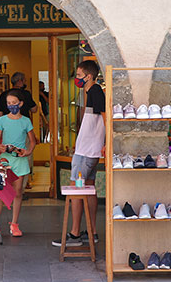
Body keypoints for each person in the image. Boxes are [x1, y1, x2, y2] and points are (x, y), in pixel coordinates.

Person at [52, 60, 105, 247]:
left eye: (79, 75)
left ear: (88, 76)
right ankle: (92, 232)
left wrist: (105, 143)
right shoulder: (90, 92)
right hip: (89, 148)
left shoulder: (95, 91)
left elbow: (104, 117)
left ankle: (74, 233)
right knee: (89, 189)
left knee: (76, 189)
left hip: (86, 150)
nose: (77, 78)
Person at [0, 89, 36, 238]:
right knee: (0, 192)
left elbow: (33, 140)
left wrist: (28, 152)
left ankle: (14, 224)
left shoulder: (26, 121)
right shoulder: (2, 120)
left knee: (18, 193)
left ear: (21, 104)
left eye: (14, 103)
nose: (11, 106)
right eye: (8, 103)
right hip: (5, 159)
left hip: (20, 159)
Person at [0, 72, 37, 190]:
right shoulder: (26, 94)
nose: (11, 105)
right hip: (20, 133)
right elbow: (34, 109)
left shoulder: (4, 95)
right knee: (25, 157)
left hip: (11, 131)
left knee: (21, 160)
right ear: (21, 81)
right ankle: (22, 186)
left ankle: (17, 189)